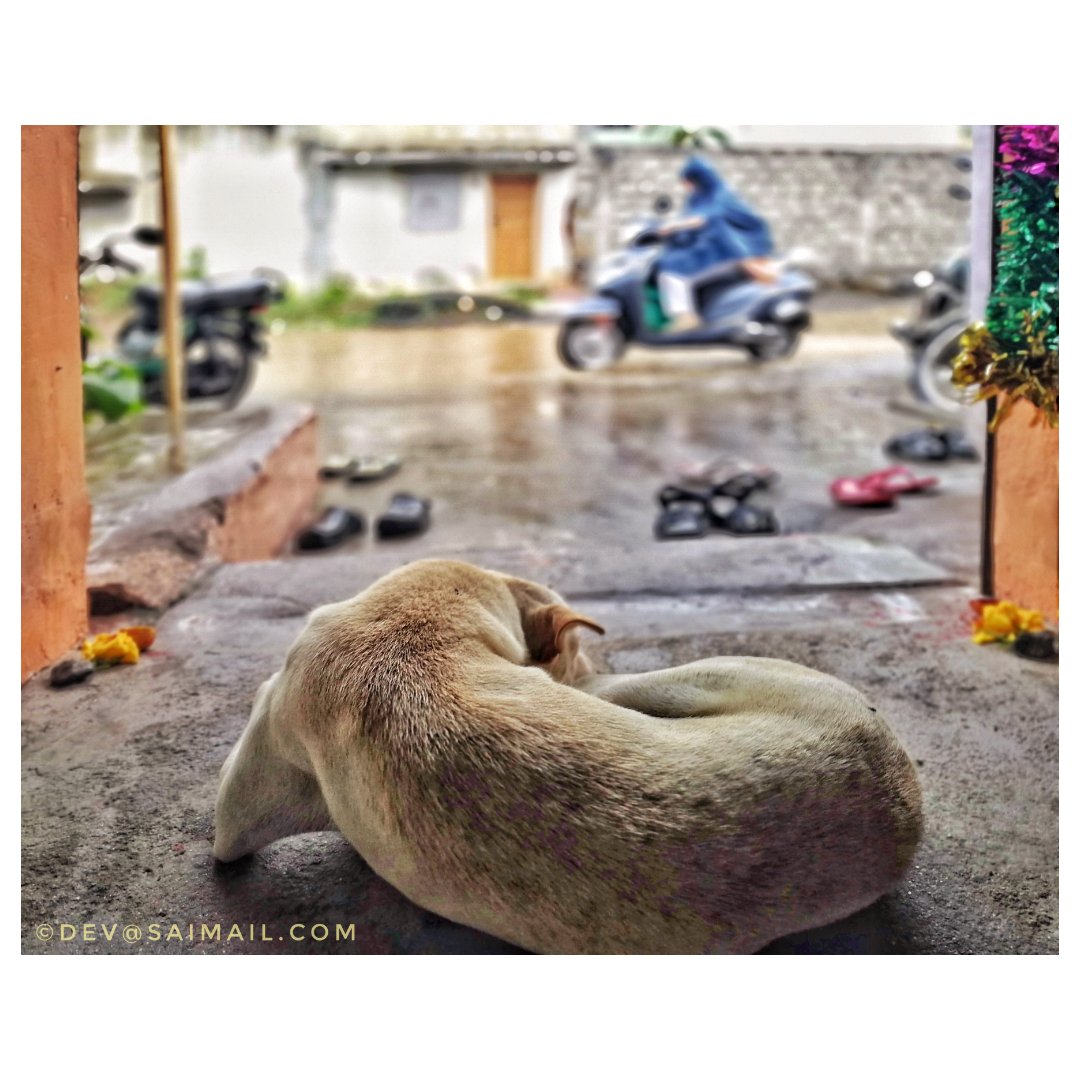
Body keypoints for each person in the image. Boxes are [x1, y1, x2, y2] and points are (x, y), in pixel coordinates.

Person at [655, 156, 778, 332]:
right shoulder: (698, 197)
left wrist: (674, 226)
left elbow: (703, 219)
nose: (686, 187)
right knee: (670, 260)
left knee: (672, 269)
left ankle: (686, 317)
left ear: (699, 179)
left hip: (728, 250)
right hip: (711, 248)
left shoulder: (720, 196)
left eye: (688, 182)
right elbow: (690, 219)